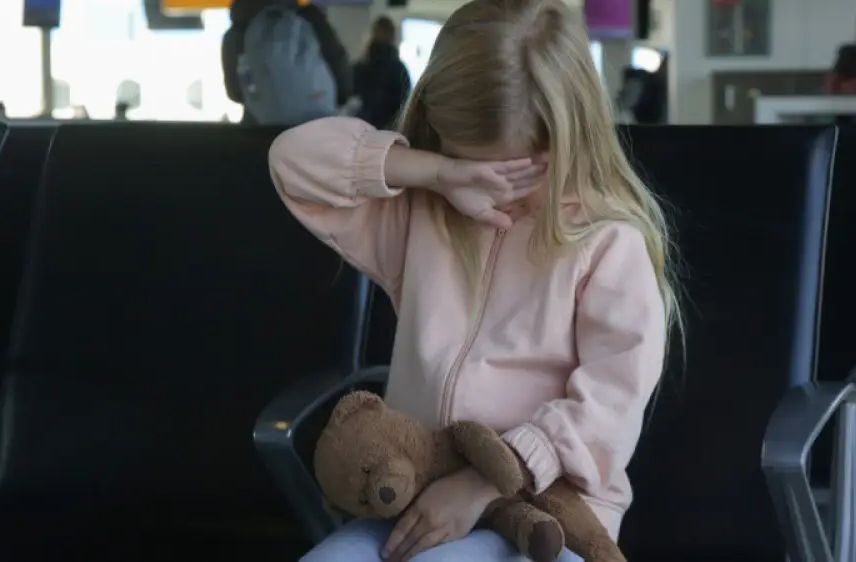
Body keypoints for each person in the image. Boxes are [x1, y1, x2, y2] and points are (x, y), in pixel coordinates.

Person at [268, 0, 681, 559]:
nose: (498, 190)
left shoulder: (608, 244)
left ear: (568, 137)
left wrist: (483, 483)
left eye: (520, 170)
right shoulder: (421, 216)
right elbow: (292, 160)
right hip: (418, 494)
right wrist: (436, 173)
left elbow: (608, 408)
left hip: (550, 513)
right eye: (474, 164)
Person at [222, 0, 352, 124]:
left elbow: (235, 93)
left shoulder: (237, 33)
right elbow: (343, 85)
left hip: (259, 127)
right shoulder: (312, 20)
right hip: (315, 127)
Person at [353, 16, 411, 130]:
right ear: (393, 37)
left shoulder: (362, 66)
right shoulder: (399, 69)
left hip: (360, 130)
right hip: (388, 131)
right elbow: (404, 106)